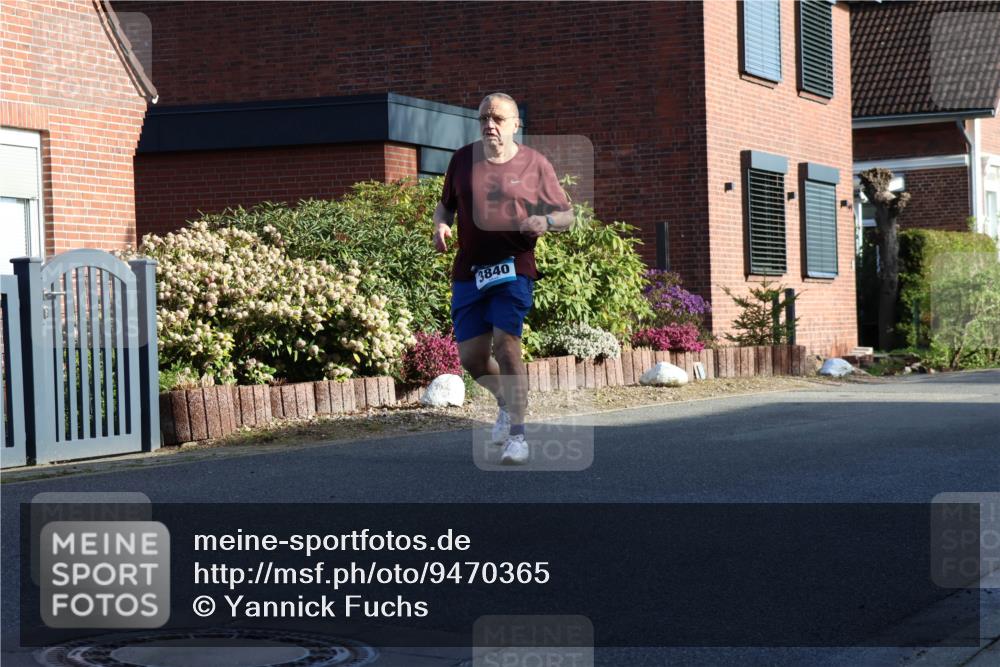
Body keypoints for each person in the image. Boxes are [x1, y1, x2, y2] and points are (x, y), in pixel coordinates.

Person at [432, 92, 573, 464]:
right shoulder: (462, 160)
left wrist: (547, 221)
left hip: (514, 266)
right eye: (483, 118)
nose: (489, 125)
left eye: (497, 118)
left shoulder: (535, 164)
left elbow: (567, 215)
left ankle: (518, 436)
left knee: (506, 344)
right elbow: (445, 205)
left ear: (515, 125)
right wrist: (441, 226)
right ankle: (504, 403)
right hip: (469, 270)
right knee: (473, 359)